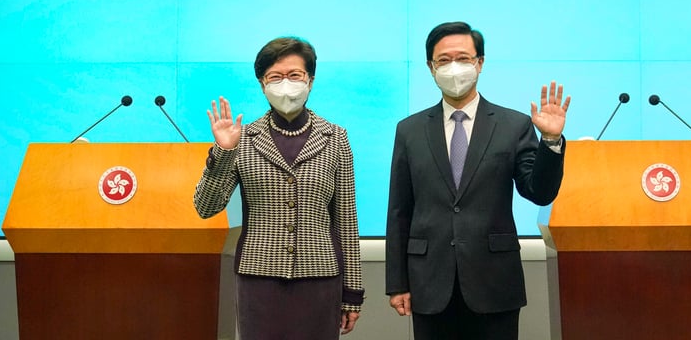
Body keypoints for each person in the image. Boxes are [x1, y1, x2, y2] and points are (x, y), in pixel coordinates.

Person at [385, 21, 570, 339]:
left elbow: (538, 192)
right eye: (443, 60)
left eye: (463, 58)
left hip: (494, 281)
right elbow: (400, 210)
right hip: (430, 283)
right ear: (431, 67)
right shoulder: (409, 130)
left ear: (480, 63)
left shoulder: (514, 125)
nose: (453, 67)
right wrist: (397, 283)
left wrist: (551, 142)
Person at [194, 37, 363, 339]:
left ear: (310, 81)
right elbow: (206, 207)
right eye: (275, 77)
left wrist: (352, 292)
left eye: (295, 75)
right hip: (259, 280)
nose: (286, 84)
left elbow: (346, 221)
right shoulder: (242, 138)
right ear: (262, 84)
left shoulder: (336, 137)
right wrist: (222, 152)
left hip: (320, 279)